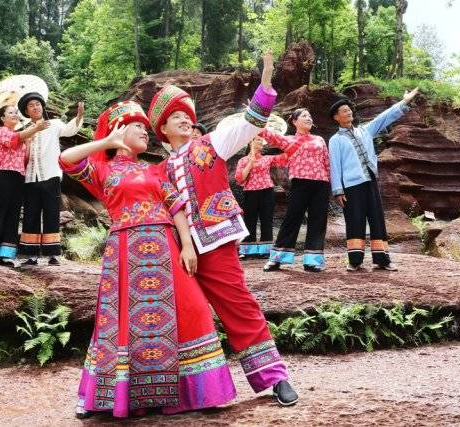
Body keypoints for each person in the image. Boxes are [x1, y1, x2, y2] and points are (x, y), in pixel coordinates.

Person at [59, 101, 236, 419]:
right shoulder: (102, 170)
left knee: (192, 309)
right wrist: (106, 143)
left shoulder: (155, 169)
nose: (145, 131)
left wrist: (187, 246)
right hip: (125, 251)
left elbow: (177, 207)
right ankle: (116, 395)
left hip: (167, 248)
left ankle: (198, 391)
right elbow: (65, 159)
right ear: (119, 130)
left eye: (145, 126)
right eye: (137, 125)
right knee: (121, 323)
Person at [148, 52, 298, 406]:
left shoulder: (210, 144)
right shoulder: (159, 170)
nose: (185, 121)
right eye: (176, 118)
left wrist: (265, 83)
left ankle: (274, 377)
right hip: (178, 249)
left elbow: (249, 123)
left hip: (216, 239)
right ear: (163, 130)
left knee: (239, 305)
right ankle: (191, 389)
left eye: (188, 116)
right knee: (184, 314)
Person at [328, 88, 419, 271]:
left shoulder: (365, 131)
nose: (349, 112)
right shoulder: (335, 140)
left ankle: (382, 259)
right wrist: (337, 190)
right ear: (336, 117)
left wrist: (404, 102)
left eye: (349, 109)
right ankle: (355, 261)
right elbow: (334, 166)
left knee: (377, 219)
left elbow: (384, 117)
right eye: (344, 110)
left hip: (370, 181)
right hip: (351, 186)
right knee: (355, 219)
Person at [16, 93, 84, 266]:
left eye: (38, 104)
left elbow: (70, 130)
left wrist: (79, 116)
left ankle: (52, 254)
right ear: (26, 111)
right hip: (30, 177)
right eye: (31, 105)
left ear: (42, 107)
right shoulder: (24, 130)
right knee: (31, 214)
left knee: (51, 214)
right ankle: (31, 255)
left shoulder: (54, 124)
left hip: (51, 174)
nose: (35, 107)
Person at [0, 105, 48, 266]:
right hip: (3, 176)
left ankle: (5, 255)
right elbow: (13, 141)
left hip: (18, 177)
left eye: (16, 112)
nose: (15, 114)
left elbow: (25, 160)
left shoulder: (20, 135)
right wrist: (34, 129)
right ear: (2, 118)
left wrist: (28, 142)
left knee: (13, 215)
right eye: (11, 113)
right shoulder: (1, 131)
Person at [261, 108, 331, 273]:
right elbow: (267, 134)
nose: (309, 118)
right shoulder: (289, 140)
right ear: (294, 121)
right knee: (292, 219)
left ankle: (312, 261)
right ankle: (277, 259)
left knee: (318, 221)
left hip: (321, 183)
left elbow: (326, 162)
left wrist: (332, 184)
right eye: (304, 116)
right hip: (300, 183)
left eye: (310, 115)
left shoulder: (319, 139)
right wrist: (258, 114)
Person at [234, 135, 286, 259]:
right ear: (250, 142)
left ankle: (265, 250)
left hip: (267, 191)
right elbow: (239, 179)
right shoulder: (243, 160)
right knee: (249, 220)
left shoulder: (267, 159)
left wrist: (283, 143)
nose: (261, 141)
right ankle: (247, 250)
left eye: (261, 140)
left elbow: (284, 158)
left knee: (266, 219)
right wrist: (250, 163)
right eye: (257, 139)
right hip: (250, 192)